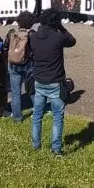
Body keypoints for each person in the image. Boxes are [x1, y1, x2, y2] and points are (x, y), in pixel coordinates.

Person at [29, 9, 76, 155]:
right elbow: (72, 40)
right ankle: (56, 149)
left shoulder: (33, 37)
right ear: (56, 21)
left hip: (39, 80)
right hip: (55, 81)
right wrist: (61, 27)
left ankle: (35, 144)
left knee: (37, 114)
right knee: (57, 116)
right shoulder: (58, 37)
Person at [3, 11, 38, 123]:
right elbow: (36, 50)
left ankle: (17, 117)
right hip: (28, 66)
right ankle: (38, 112)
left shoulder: (11, 33)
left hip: (13, 65)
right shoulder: (32, 34)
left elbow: (5, 47)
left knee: (15, 93)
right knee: (32, 90)